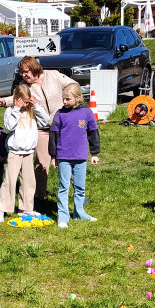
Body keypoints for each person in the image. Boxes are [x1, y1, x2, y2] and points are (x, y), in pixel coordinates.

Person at [0, 55, 76, 204]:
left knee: (69, 159)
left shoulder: (53, 75)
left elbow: (73, 85)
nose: (24, 75)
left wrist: (69, 101)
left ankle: (78, 193)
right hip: (42, 128)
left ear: (34, 68)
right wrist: (4, 101)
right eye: (22, 73)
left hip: (62, 126)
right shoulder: (25, 85)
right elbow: (17, 98)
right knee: (41, 163)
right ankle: (39, 196)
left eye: (26, 71)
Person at [0, 84, 50, 222]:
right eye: (23, 102)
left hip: (28, 152)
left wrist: (36, 106)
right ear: (17, 99)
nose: (25, 105)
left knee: (28, 181)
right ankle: (1, 209)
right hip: (14, 152)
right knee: (10, 181)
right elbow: (9, 125)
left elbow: (45, 121)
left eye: (27, 102)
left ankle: (26, 208)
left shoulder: (32, 111)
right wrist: (17, 109)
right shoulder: (11, 111)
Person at [49, 83, 100, 228]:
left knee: (80, 187)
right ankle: (63, 216)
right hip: (63, 156)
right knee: (64, 186)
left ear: (78, 98)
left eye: (68, 99)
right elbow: (53, 135)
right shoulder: (60, 114)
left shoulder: (87, 113)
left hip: (80, 156)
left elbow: (93, 133)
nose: (64, 102)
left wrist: (94, 153)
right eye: (63, 99)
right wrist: (54, 156)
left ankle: (79, 213)